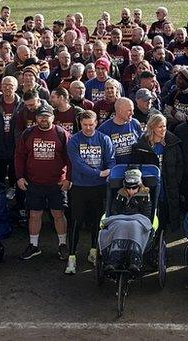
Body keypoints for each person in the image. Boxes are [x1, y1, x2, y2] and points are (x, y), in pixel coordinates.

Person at [15, 105, 72, 261]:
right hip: (34, 182)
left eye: (47, 116)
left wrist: (69, 178)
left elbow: (70, 158)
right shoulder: (28, 133)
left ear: (53, 118)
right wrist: (19, 177)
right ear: (36, 118)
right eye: (41, 116)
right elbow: (19, 156)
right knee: (34, 214)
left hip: (57, 183)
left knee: (58, 214)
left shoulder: (62, 134)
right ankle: (34, 246)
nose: (43, 119)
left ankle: (62, 245)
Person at [66, 110, 115, 275]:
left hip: (99, 188)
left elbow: (111, 160)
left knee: (97, 221)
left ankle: (94, 251)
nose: (88, 128)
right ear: (80, 124)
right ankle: (71, 257)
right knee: (76, 222)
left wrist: (108, 172)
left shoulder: (104, 139)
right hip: (80, 187)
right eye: (84, 124)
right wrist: (100, 173)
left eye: (91, 124)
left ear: (96, 123)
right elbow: (77, 164)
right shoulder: (73, 140)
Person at [133, 114, 184, 228]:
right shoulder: (142, 145)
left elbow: (180, 164)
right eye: (160, 127)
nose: (163, 130)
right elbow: (136, 166)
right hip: (148, 184)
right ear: (152, 127)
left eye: (164, 126)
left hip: (169, 182)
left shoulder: (172, 143)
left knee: (167, 206)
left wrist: (176, 180)